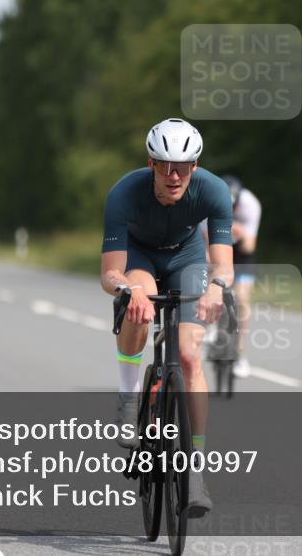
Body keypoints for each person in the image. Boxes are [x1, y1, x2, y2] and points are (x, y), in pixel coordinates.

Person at [100, 117, 233, 516]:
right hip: (138, 257)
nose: (173, 175)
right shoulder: (124, 193)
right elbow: (110, 272)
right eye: (164, 165)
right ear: (151, 163)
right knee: (139, 315)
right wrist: (130, 290)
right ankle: (128, 396)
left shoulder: (214, 191)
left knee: (189, 356)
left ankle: (195, 468)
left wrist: (216, 288)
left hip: (187, 256)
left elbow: (223, 265)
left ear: (195, 166)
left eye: (182, 166)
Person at [220, 176, 261, 379]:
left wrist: (241, 234)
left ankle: (240, 353)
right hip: (215, 247)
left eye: (234, 208)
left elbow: (250, 246)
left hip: (242, 255)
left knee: (242, 299)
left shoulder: (251, 204)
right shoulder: (210, 201)